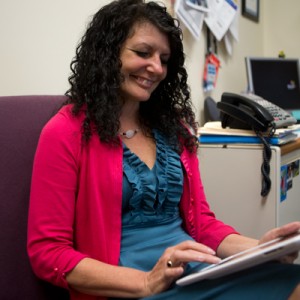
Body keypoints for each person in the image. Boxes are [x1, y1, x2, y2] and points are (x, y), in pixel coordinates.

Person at [27, 0, 300, 299]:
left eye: (164, 58)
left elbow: (202, 224)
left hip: (192, 273)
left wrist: (260, 248)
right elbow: (47, 252)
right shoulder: (65, 132)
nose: (156, 68)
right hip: (127, 287)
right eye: (143, 53)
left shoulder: (174, 129)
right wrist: (145, 282)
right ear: (107, 53)